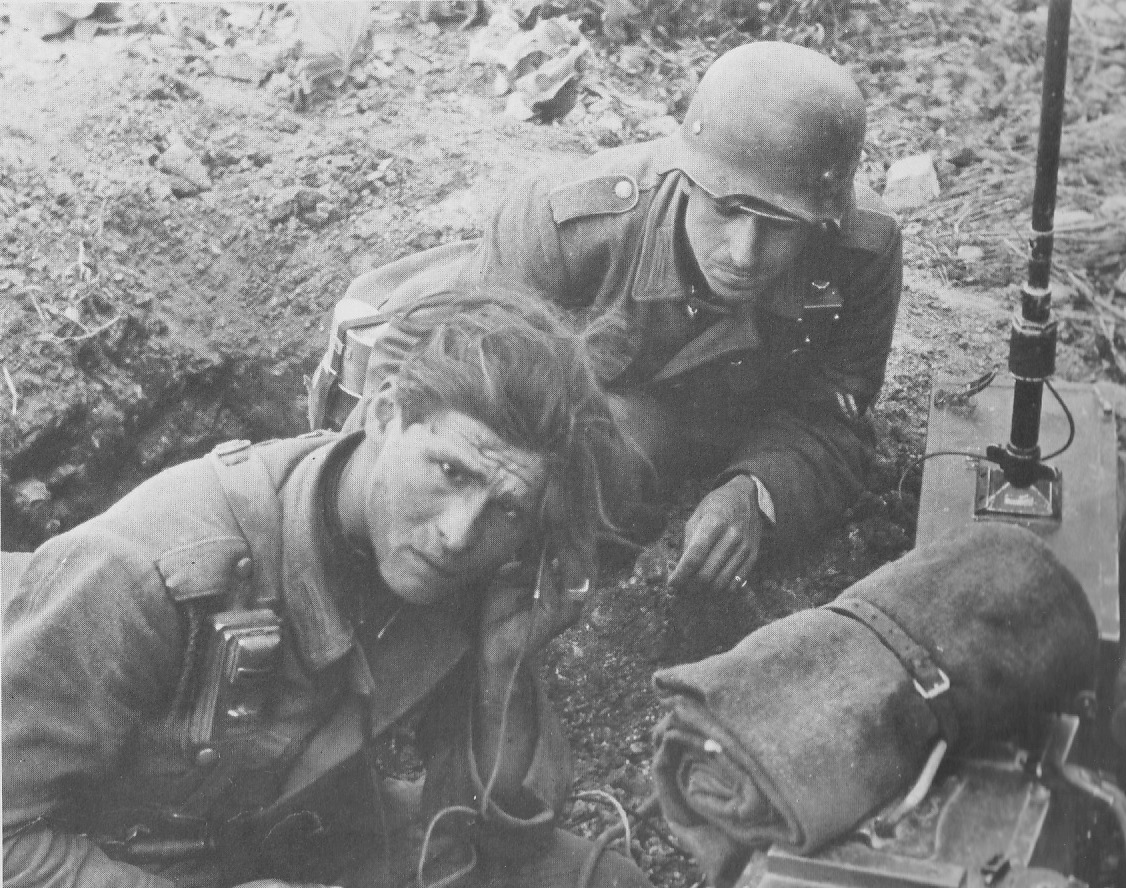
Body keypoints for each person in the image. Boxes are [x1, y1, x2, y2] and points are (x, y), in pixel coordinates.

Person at [2, 289, 650, 888]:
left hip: (292, 836)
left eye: (508, 506)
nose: (458, 534)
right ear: (385, 414)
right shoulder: (144, 570)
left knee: (598, 880)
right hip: (117, 864)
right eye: (450, 471)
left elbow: (491, 834)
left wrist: (502, 668)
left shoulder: (458, 563)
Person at [308, 41, 903, 597]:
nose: (745, 253)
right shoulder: (569, 226)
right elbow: (435, 381)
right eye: (727, 210)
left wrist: (759, 492)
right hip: (489, 372)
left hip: (683, 420)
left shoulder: (858, 258)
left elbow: (834, 417)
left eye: (779, 226)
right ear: (686, 178)